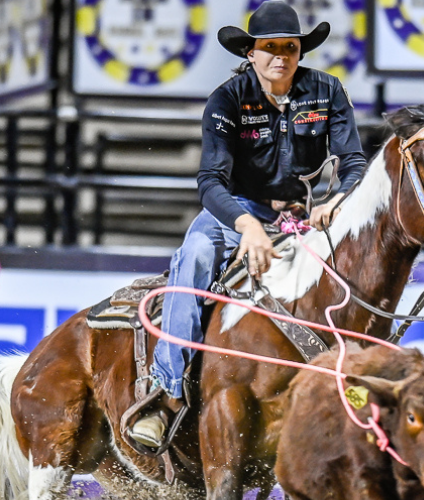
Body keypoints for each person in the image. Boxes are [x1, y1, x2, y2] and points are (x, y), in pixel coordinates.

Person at [128, 0, 367, 448]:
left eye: (290, 47)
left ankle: (352, 391)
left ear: (300, 51)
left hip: (303, 217)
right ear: (251, 53)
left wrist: (337, 198)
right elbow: (210, 180)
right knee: (195, 255)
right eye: (270, 47)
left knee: (352, 274)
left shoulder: (328, 91)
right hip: (236, 212)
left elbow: (354, 161)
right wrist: (247, 226)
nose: (281, 56)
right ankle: (164, 394)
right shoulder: (227, 99)